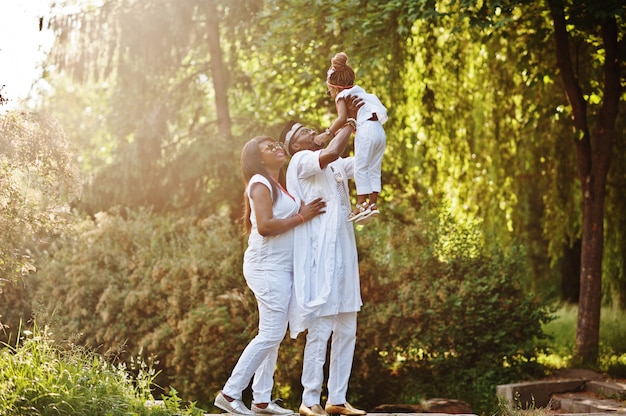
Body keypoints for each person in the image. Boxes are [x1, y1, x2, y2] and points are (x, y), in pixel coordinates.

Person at [214, 136, 327, 416]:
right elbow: (264, 226)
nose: (277, 148)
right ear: (257, 158)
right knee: (271, 333)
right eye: (269, 147)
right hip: (265, 267)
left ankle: (262, 400)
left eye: (277, 144)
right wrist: (302, 217)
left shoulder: (278, 186)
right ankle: (230, 393)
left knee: (273, 334)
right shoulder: (259, 183)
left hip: (279, 268)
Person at [279, 109, 367, 416]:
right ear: (294, 145)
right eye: (301, 131)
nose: (309, 130)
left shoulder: (334, 166)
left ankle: (337, 399)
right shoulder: (300, 161)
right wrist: (348, 124)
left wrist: (369, 127)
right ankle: (309, 399)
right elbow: (332, 152)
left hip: (344, 251)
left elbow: (360, 164)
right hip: (321, 257)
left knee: (347, 327)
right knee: (321, 328)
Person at [314, 52, 388, 225]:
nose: (330, 94)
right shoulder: (360, 92)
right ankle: (373, 204)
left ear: (335, 87)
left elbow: (341, 119)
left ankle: (360, 204)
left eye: (329, 90)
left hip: (366, 130)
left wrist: (327, 134)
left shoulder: (342, 96)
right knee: (373, 168)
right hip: (379, 130)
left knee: (360, 168)